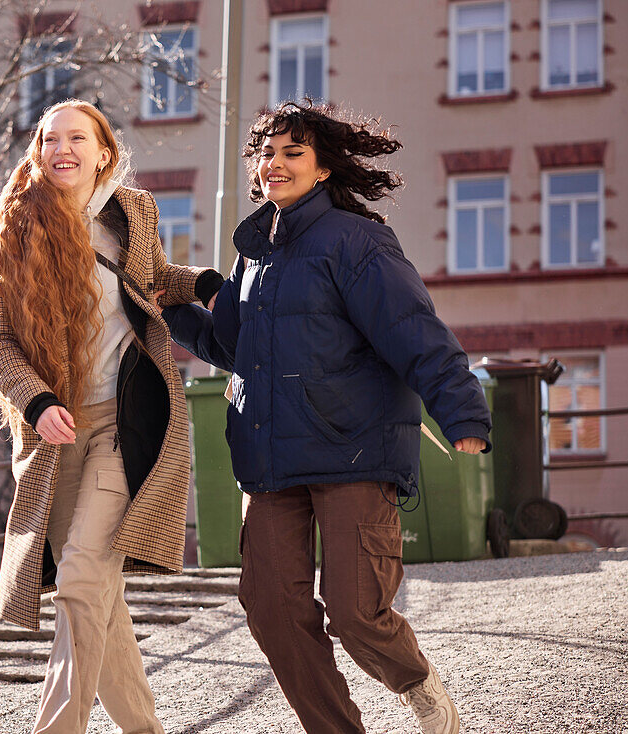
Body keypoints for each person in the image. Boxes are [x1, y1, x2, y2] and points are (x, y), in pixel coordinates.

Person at [162, 101, 492, 734]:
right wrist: (174, 313)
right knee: (270, 609)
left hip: (351, 451)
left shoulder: (354, 240)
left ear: (321, 168)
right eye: (267, 153)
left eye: (293, 152)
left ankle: (417, 684)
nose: (275, 164)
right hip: (270, 457)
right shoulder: (253, 252)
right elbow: (234, 351)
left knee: (355, 610)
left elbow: (411, 329)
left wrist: (461, 411)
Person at [0, 99, 223, 734]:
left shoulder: (132, 212)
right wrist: (35, 400)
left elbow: (152, 279)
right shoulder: (15, 228)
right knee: (97, 601)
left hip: (125, 422)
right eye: (51, 138)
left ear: (102, 150)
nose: (63, 149)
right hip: (55, 432)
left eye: (77, 137)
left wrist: (210, 284)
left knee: (82, 576)